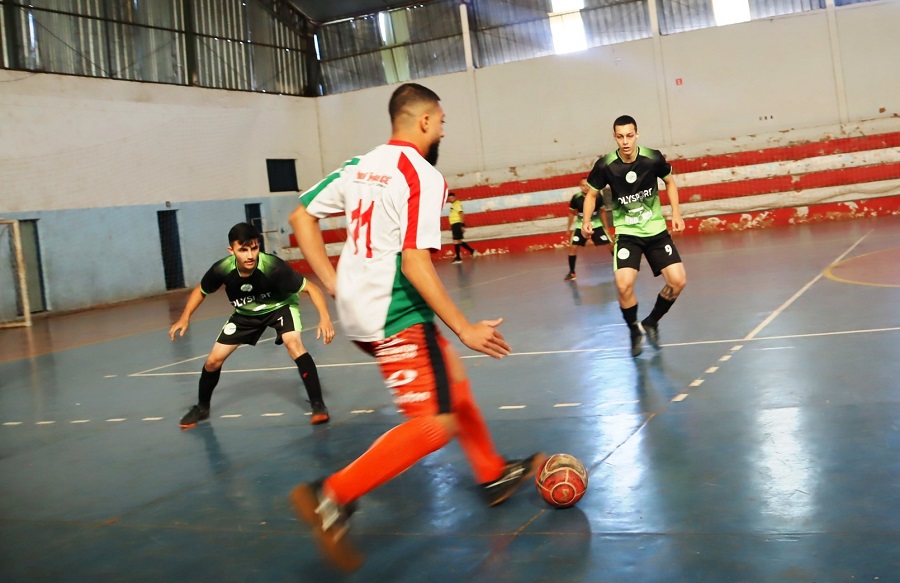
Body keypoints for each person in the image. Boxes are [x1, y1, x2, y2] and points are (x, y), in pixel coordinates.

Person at [288, 83, 544, 572]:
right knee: (437, 421)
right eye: (442, 121)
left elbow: (301, 216)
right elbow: (415, 264)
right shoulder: (422, 176)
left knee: (452, 381)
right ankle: (331, 495)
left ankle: (491, 472)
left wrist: (331, 279)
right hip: (395, 313)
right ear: (424, 121)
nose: (443, 129)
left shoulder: (358, 165)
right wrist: (465, 327)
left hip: (360, 313)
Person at [169, 222, 335, 428]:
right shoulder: (222, 269)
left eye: (254, 248)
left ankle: (318, 405)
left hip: (279, 307)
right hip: (245, 315)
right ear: (232, 250)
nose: (250, 255)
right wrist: (185, 316)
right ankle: (202, 408)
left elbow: (311, 288)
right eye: (243, 250)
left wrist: (325, 317)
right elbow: (201, 290)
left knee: (293, 344)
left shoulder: (272, 266)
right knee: (213, 361)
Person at [581, 115, 687, 357]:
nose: (625, 141)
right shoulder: (605, 164)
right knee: (623, 285)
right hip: (628, 234)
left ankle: (651, 322)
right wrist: (587, 221)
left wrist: (676, 214)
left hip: (656, 231)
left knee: (678, 282)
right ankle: (633, 329)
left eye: (629, 135)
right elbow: (591, 195)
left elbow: (670, 183)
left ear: (637, 134)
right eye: (620, 136)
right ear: (614, 137)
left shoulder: (652, 158)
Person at [564, 178, 612, 281]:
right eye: (583, 185)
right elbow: (572, 213)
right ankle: (572, 273)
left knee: (611, 245)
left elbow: (602, 212)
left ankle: (621, 267)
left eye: (587, 185)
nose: (585, 187)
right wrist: (568, 228)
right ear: (580, 186)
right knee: (572, 247)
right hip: (581, 226)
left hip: (597, 225)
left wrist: (606, 228)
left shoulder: (598, 196)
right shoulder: (576, 198)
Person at [447, 192, 476, 263]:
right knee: (458, 241)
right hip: (454, 224)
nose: (451, 199)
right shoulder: (453, 205)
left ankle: (458, 258)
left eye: (452, 197)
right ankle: (471, 251)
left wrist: (462, 225)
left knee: (456, 241)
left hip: (457, 224)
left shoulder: (457, 204)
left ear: (455, 197)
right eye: (450, 198)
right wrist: (451, 225)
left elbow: (461, 213)